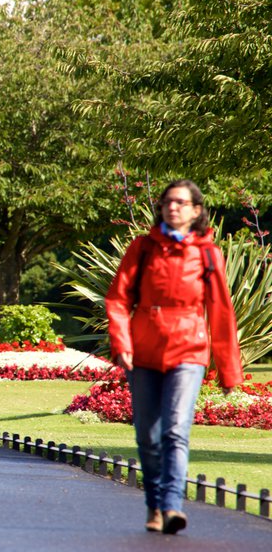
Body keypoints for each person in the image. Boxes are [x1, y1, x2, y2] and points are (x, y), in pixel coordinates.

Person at [105, 179, 242, 535]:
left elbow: (221, 313)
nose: (173, 207)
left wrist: (228, 371)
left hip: (189, 350)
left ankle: (171, 507)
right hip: (144, 352)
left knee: (176, 432)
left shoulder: (208, 254)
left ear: (197, 210)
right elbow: (118, 299)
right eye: (168, 202)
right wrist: (122, 344)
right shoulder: (143, 248)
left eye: (182, 202)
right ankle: (153, 504)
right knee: (148, 437)